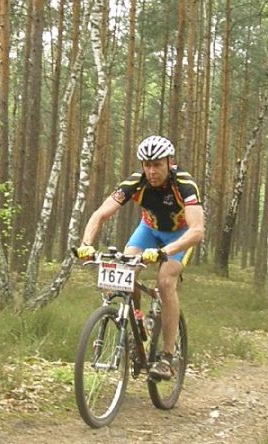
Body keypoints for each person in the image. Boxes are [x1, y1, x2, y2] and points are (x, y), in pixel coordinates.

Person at [76, 135, 204, 381]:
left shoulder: (185, 184)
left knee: (166, 282)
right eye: (147, 165)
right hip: (148, 230)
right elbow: (100, 214)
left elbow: (197, 230)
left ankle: (168, 356)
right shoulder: (135, 183)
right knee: (124, 269)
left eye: (157, 164)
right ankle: (136, 321)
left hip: (180, 235)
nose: (151, 170)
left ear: (169, 162)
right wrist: (86, 244)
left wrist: (165, 252)